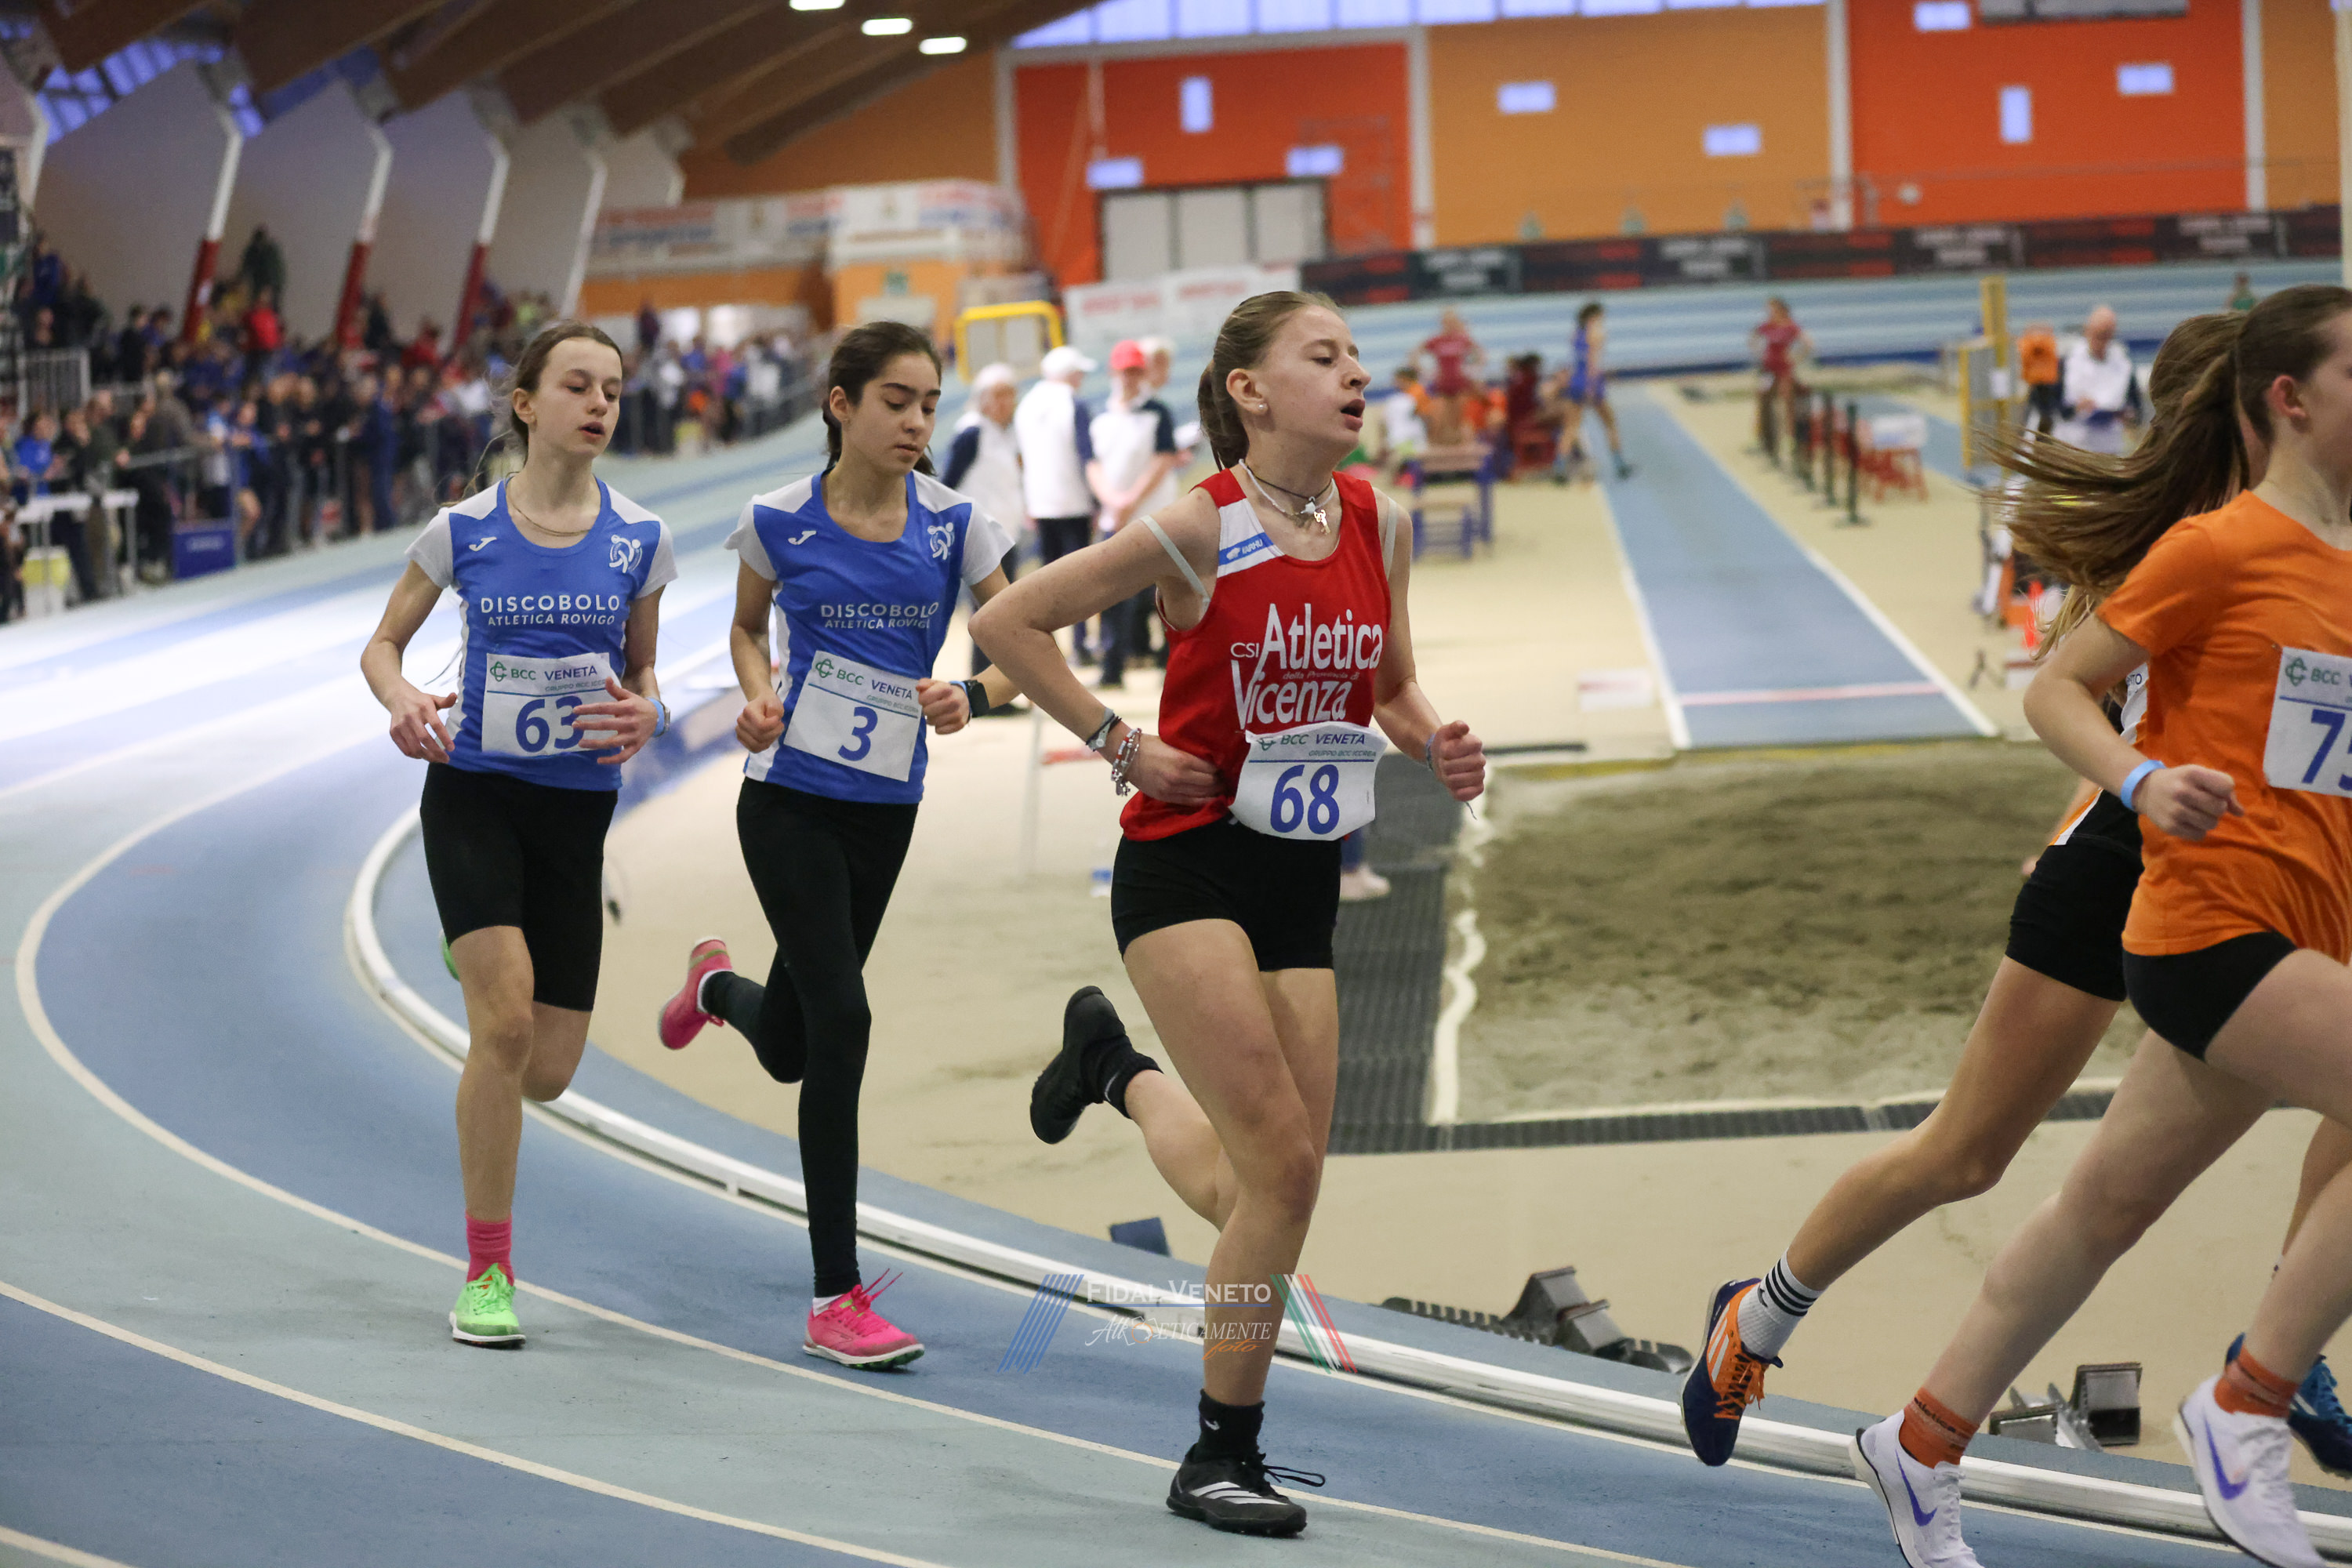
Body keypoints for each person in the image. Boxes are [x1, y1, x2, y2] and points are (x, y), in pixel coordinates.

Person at [1679, 310, 2352, 1485]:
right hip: (2124, 857)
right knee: (1968, 1151)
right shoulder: (2199, 541)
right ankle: (1763, 1310)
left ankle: (2288, 1348)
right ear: (2262, 408)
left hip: (2277, 867)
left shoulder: (2327, 534)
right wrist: (2111, 801)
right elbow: (2080, 697)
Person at [971, 291, 1487, 1537]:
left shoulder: (1379, 520)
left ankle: (1113, 1071)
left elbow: (1391, 686)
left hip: (1299, 876)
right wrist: (1119, 742)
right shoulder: (1198, 525)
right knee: (1284, 1174)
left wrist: (1434, 742)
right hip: (1187, 865)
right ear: (1250, 390)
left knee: (1269, 1189)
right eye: (1325, 357)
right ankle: (1218, 1454)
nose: (1356, 375)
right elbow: (1007, 621)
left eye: (1357, 356)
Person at [652, 321, 1022, 1371]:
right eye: (896, 401)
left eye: (930, 405)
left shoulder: (957, 526)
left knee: (791, 1045)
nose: (917, 422)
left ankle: (714, 987)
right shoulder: (777, 519)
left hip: (885, 808)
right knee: (845, 1022)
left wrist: (976, 693)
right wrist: (759, 696)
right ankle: (835, 1296)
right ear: (841, 403)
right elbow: (744, 630)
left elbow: (1023, 644)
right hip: (788, 802)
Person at [359, 321, 673, 1350]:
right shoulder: (463, 531)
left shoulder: (640, 540)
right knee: (500, 1028)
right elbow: (382, 646)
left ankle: (477, 942)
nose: (599, 404)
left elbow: (646, 672)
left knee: (547, 1068)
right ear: (527, 404)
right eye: (578, 385)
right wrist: (404, 697)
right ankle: (487, 1272)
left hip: (575, 813)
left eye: (612, 390)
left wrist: (651, 711)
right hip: (475, 794)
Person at [1087, 339, 1183, 690]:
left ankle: (1172, 667)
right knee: (1112, 596)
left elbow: (1164, 458)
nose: (1130, 377)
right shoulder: (1100, 416)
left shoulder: (1157, 412)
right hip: (1116, 521)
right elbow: (1092, 463)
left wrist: (1131, 499)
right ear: (1114, 372)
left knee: (1165, 594)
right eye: (1125, 371)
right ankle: (1112, 668)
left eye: (1136, 371)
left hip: (1154, 517)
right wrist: (1112, 501)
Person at [942, 361, 1027, 682]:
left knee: (1003, 613)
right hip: (982, 535)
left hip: (1006, 533)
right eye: (999, 395)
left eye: (1010, 394)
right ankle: (984, 686)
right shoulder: (972, 432)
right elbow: (948, 484)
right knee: (990, 614)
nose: (1006, 402)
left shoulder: (1005, 433)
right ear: (983, 398)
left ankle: (998, 685)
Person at [1014, 343, 1099, 662]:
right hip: (1074, 502)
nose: (1081, 379)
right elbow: (1086, 455)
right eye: (1079, 373)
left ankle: (1050, 645)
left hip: (1040, 503)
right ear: (1070, 374)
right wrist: (1097, 500)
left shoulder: (1026, 405)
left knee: (1047, 579)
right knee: (1080, 580)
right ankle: (1080, 643)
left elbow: (1020, 457)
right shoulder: (1073, 403)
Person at [2056, 304, 2143, 456]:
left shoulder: (2123, 364)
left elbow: (2136, 408)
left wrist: (2127, 416)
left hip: (2109, 447)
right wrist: (2077, 408)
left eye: (2107, 335)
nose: (2102, 341)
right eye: (2098, 335)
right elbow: (2054, 406)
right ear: (2087, 330)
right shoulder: (2069, 361)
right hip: (2074, 446)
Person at [1564, 302, 1632, 481]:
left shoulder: (1575, 333)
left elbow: (1577, 360)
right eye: (1601, 317)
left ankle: (1560, 467)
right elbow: (1593, 363)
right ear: (1594, 317)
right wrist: (1592, 386)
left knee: (1571, 426)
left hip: (1576, 381)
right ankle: (1620, 465)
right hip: (1592, 384)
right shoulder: (1596, 333)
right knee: (1610, 423)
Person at [1750, 297, 1811, 462]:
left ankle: (1789, 438)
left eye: (1772, 310)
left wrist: (1796, 358)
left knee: (1786, 403)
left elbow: (1808, 343)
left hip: (1784, 370)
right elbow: (1753, 338)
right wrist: (1760, 354)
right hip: (1768, 370)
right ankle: (1761, 436)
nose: (1769, 313)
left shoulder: (1791, 326)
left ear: (1781, 311)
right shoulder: (1766, 326)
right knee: (1762, 400)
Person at [1415, 308, 1483, 446]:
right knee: (1439, 418)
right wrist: (1426, 372)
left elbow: (1480, 354)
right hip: (1442, 384)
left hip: (1459, 383)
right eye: (1447, 322)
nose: (1450, 325)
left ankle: (1458, 446)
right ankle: (1439, 445)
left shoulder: (1463, 339)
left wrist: (1472, 369)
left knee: (1458, 419)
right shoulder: (1436, 340)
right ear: (1442, 323)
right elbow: (1415, 355)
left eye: (1453, 322)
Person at [2016, 320, 2062, 437]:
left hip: (2041, 384)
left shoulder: (2031, 344)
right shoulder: (2046, 343)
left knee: (2037, 414)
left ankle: (2037, 434)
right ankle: (2042, 435)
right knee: (2042, 413)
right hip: (2041, 384)